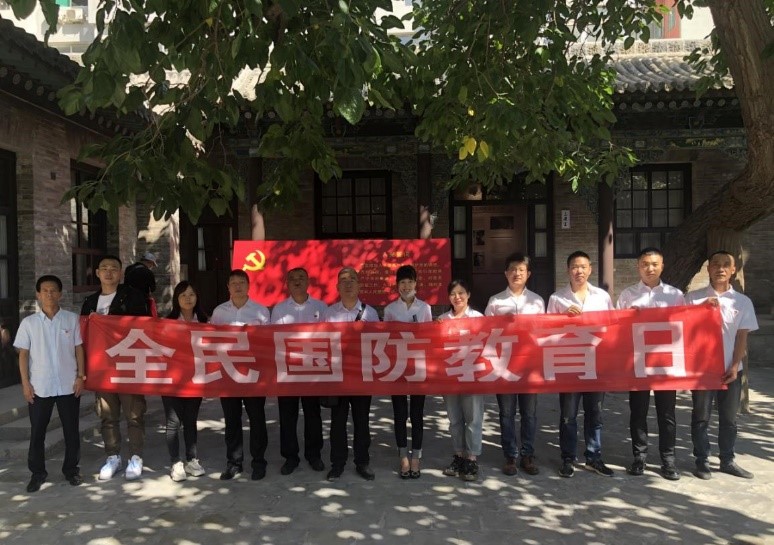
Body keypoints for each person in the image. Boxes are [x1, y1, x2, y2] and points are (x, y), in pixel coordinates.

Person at [686, 250, 759, 480]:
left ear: (733, 269)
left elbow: (741, 338)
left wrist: (735, 365)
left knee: (729, 419)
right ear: (708, 268)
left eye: (726, 264)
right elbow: (682, 329)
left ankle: (727, 460)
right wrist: (700, 309)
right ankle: (702, 461)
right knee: (701, 417)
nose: (720, 268)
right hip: (702, 371)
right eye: (715, 264)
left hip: (730, 370)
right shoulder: (693, 298)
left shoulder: (742, 302)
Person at [616, 247, 685, 481]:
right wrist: (628, 317)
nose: (650, 268)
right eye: (645, 264)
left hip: (666, 363)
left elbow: (685, 325)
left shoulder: (675, 295)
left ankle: (668, 460)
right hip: (638, 363)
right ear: (638, 266)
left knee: (667, 413)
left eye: (654, 264)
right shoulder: (627, 295)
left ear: (662, 266)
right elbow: (616, 330)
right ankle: (639, 457)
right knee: (638, 412)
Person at [81, 255, 150, 481]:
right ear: (97, 273)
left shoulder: (134, 296)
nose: (108, 272)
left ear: (120, 273)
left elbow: (145, 327)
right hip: (102, 368)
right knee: (108, 416)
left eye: (113, 268)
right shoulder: (90, 302)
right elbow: (83, 335)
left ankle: (136, 457)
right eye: (104, 268)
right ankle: (113, 456)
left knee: (134, 414)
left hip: (128, 365)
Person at [14, 275, 86, 492]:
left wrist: (81, 376)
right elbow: (23, 355)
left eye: (53, 290)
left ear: (60, 294)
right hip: (40, 386)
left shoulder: (71, 319)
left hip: (68, 384)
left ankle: (71, 470)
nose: (49, 294)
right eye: (44, 290)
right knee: (37, 432)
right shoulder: (29, 323)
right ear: (38, 294)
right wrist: (25, 384)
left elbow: (79, 349)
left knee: (71, 430)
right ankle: (37, 473)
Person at [547, 251, 614, 478]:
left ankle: (594, 457)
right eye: (575, 267)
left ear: (590, 269)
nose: (579, 271)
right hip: (570, 364)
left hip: (596, 363)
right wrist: (562, 318)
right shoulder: (557, 299)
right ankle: (568, 458)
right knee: (568, 415)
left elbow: (612, 327)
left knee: (595, 413)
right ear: (568, 270)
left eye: (583, 267)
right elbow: (547, 332)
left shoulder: (602, 297)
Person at [484, 252, 545, 476]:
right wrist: (502, 323)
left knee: (529, 413)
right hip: (504, 366)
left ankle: (527, 455)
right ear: (505, 273)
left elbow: (544, 332)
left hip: (529, 365)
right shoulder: (495, 301)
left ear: (528, 274)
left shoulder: (537, 301)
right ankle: (510, 455)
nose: (517, 273)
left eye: (521, 270)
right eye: (512, 269)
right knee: (506, 413)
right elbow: (484, 331)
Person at [210, 269, 271, 481]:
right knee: (232, 420)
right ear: (228, 287)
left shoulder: (261, 311)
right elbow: (211, 341)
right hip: (228, 374)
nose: (237, 286)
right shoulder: (219, 312)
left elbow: (268, 342)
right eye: (233, 283)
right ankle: (234, 462)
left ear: (248, 285)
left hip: (253, 374)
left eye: (241, 282)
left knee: (257, 419)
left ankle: (258, 462)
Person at [322, 267, 379, 482]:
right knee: (337, 422)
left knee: (361, 420)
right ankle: (337, 463)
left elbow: (378, 344)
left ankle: (362, 462)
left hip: (362, 375)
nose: (348, 284)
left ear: (359, 285)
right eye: (343, 280)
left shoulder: (370, 313)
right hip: (337, 376)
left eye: (352, 280)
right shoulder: (329, 313)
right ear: (337, 286)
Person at [270, 267, 328, 475]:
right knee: (287, 416)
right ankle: (290, 457)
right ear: (287, 283)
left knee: (313, 415)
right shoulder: (279, 310)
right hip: (288, 372)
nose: (297, 282)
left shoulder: (321, 308)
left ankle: (314, 455)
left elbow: (328, 338)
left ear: (308, 281)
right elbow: (273, 339)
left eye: (301, 278)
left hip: (313, 371)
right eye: (293, 279)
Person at [383, 265, 433, 479]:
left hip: (418, 367)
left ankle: (416, 457)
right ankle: (403, 456)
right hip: (397, 368)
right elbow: (385, 339)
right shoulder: (390, 310)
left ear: (416, 284)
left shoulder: (425, 308)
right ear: (397, 285)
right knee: (400, 413)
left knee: (417, 414)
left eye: (410, 282)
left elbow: (430, 336)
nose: (406, 286)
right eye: (402, 282)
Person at [439, 279, 485, 482]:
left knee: (473, 418)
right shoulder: (442, 319)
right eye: (453, 294)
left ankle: (472, 458)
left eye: (461, 293)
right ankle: (458, 455)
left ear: (468, 295)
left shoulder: (478, 318)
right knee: (455, 419)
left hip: (472, 376)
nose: (457, 297)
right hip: (449, 377)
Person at [163, 281, 209, 482]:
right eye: (183, 295)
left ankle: (192, 459)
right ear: (177, 299)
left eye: (191, 294)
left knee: (190, 420)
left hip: (195, 379)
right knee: (173, 421)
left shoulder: (205, 322)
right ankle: (175, 462)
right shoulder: (168, 322)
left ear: (197, 297)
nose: (188, 298)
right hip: (171, 379)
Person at [124, 252, 158, 317]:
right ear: (150, 262)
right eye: (152, 265)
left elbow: (125, 283)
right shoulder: (148, 272)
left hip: (127, 301)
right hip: (142, 302)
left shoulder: (129, 268)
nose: (151, 267)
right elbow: (153, 289)